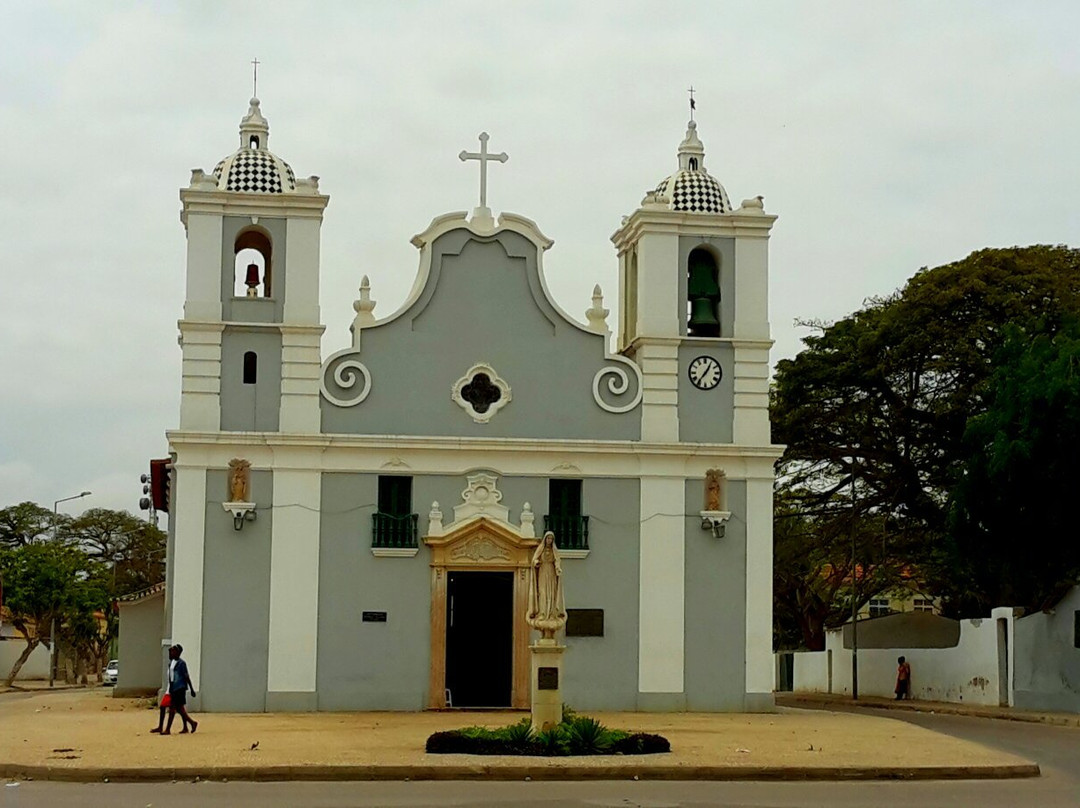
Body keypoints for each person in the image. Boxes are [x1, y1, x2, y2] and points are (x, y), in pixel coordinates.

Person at [162, 644, 198, 735]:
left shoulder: (182, 663)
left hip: (180, 688)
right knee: (180, 709)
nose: (171, 653)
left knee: (173, 708)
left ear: (178, 652)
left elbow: (186, 676)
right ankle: (191, 723)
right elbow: (171, 677)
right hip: (174, 688)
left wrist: (192, 689)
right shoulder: (171, 663)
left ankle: (168, 729)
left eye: (173, 651)